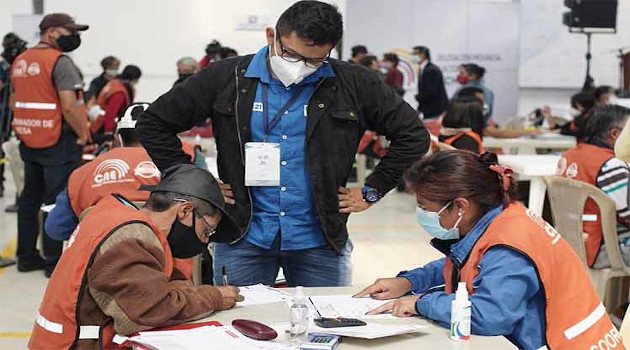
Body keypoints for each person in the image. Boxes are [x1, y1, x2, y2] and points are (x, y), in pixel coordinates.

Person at [137, 0, 429, 287]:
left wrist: (372, 191)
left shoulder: (354, 83)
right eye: (291, 55)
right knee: (242, 326)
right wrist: (193, 182)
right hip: (243, 236)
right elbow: (154, 123)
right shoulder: (226, 77)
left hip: (319, 240)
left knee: (322, 326)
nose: (302, 67)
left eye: (315, 60)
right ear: (271, 36)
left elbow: (413, 134)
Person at [357, 151, 621, 350]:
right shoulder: (500, 217)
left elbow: (489, 315)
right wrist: (409, 281)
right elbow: (472, 262)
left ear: (460, 206)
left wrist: (420, 302)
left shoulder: (511, 244)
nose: (422, 213)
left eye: (425, 206)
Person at [28, 164, 244, 349]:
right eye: (207, 231)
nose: (205, 242)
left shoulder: (110, 212)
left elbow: (165, 283)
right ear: (185, 211)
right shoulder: (129, 235)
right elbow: (145, 312)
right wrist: (214, 297)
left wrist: (178, 294)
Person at [45, 102, 205, 241]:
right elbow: (208, 213)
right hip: (171, 270)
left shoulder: (83, 174)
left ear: (118, 139)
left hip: (104, 269)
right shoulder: (188, 157)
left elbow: (56, 229)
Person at [10, 13, 90, 276]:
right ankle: (54, 261)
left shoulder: (20, 61)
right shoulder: (59, 62)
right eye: (71, 31)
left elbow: (14, 102)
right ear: (52, 32)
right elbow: (69, 105)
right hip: (58, 142)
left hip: (29, 139)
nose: (75, 37)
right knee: (57, 201)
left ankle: (26, 256)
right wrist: (82, 134)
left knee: (29, 200)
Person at [558, 105, 630, 268]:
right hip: (601, 247)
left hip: (571, 243)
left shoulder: (571, 154)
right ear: (615, 135)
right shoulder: (611, 165)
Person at [91, 65, 141, 135]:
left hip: (97, 122)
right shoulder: (119, 93)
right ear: (134, 79)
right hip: (102, 127)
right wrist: (108, 133)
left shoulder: (115, 83)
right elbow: (111, 113)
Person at [411, 46, 448, 119]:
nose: (412, 56)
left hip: (435, 109)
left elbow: (431, 92)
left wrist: (418, 97)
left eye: (414, 54)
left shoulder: (431, 70)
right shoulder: (423, 69)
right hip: (428, 108)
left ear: (423, 55)